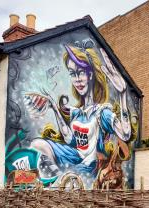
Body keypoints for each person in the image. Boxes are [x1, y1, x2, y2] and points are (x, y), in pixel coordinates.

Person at [25, 39, 132, 180]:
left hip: (89, 165)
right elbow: (69, 140)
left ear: (90, 75)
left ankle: (56, 184)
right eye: (72, 73)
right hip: (73, 155)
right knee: (37, 144)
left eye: (81, 72)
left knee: (68, 175)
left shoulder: (101, 113)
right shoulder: (77, 112)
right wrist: (54, 107)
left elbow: (125, 134)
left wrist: (123, 94)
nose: (77, 79)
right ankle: (48, 184)